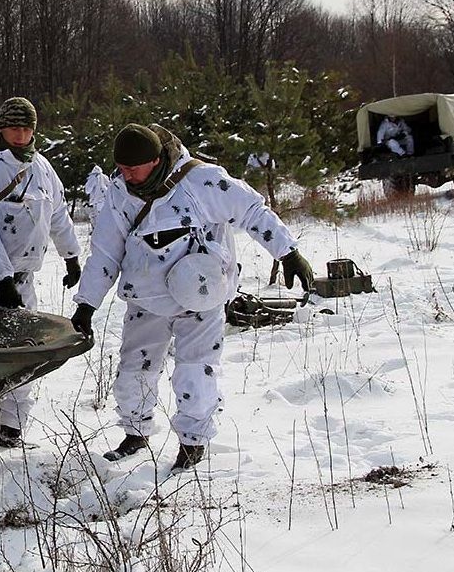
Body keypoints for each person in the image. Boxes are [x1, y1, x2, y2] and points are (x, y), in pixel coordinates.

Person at [71, 124, 313, 471]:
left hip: (200, 298)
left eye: (133, 168)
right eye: (121, 168)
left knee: (195, 373)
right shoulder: (119, 194)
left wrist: (288, 252)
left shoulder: (201, 181)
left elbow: (251, 210)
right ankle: (135, 433)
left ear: (155, 160)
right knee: (133, 372)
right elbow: (106, 253)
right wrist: (86, 304)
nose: (126, 176)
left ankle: (192, 443)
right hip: (146, 299)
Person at [0, 97, 83, 449]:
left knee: (23, 357)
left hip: (22, 283)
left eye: (27, 129)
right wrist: (1, 276)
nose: (21, 135)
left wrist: (71, 255)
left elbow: (57, 214)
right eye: (14, 128)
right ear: (0, 128)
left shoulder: (42, 167)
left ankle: (11, 429)